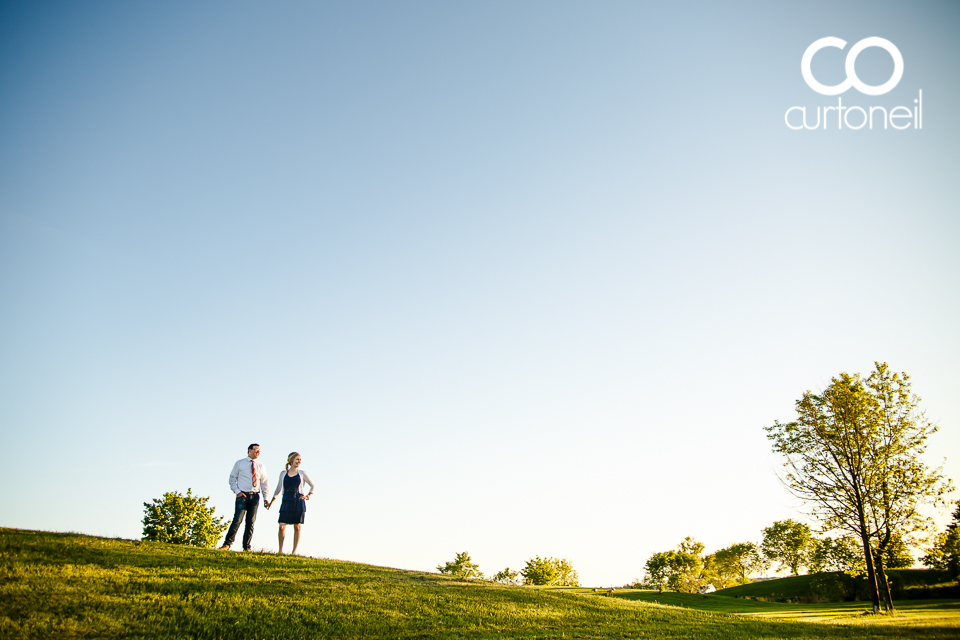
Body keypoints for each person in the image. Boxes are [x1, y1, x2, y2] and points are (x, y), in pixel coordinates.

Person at [219, 443, 270, 551]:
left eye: (259, 450)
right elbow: (232, 479)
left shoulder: (261, 466)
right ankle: (227, 544)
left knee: (250, 523)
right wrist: (237, 491)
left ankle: (246, 547)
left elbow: (264, 482)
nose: (258, 452)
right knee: (237, 520)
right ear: (249, 450)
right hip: (242, 496)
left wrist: (266, 498)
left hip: (255, 496)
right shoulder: (240, 463)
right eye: (256, 450)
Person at [267, 451, 315, 555]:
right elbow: (278, 488)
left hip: (298, 500)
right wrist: (271, 502)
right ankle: (280, 550)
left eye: (300, 460)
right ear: (291, 460)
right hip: (286, 500)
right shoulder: (283, 473)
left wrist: (308, 496)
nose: (299, 461)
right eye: (297, 459)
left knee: (297, 527)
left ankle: (294, 552)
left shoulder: (302, 473)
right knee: (281, 526)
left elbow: (313, 485)